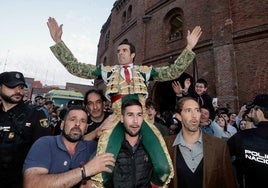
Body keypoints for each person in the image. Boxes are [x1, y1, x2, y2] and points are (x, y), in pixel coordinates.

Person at [47, 17, 202, 185]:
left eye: (124, 50)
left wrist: (189, 48)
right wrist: (59, 42)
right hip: (116, 120)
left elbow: (171, 72)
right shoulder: (108, 71)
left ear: (133, 55)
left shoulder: (144, 71)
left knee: (163, 168)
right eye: (118, 51)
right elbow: (77, 68)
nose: (120, 53)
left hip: (140, 118)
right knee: (104, 170)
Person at [23, 106, 115, 188]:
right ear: (62, 125)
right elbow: (31, 184)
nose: (77, 124)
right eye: (73, 119)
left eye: (82, 121)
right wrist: (85, 170)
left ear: (86, 128)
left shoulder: (93, 148)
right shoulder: (45, 144)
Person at [164, 97, 237, 188]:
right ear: (179, 116)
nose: (194, 115)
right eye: (188, 110)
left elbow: (228, 183)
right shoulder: (165, 145)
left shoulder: (219, 146)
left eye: (197, 110)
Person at [0, 71, 51, 187]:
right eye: (12, 86)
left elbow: (44, 151)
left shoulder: (35, 114)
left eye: (21, 87)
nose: (18, 91)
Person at [103, 99, 162, 187]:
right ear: (122, 118)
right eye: (130, 115)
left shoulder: (150, 147)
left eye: (139, 115)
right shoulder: (110, 147)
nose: (135, 121)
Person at [227, 94, 268, 188]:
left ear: (259, 112)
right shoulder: (244, 136)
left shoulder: (242, 137)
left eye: (253, 110)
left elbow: (221, 153)